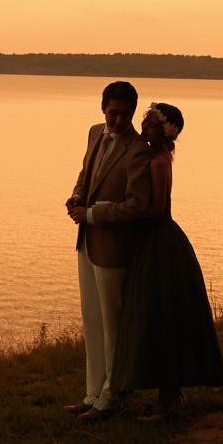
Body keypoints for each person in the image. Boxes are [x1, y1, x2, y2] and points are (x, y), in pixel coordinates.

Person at [108, 101, 223, 419]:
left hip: (160, 240)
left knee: (160, 315)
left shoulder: (160, 162)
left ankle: (168, 399)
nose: (142, 127)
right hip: (154, 239)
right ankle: (167, 394)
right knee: (157, 315)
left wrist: (121, 212)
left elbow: (157, 208)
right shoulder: (154, 156)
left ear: (161, 131)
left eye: (148, 124)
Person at [64, 79, 152, 420]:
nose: (116, 120)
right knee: (92, 321)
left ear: (131, 112)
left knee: (113, 325)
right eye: (112, 113)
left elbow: (138, 205)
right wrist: (75, 195)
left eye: (124, 115)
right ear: (103, 108)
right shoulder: (93, 132)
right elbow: (86, 173)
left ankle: (114, 396)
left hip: (114, 247)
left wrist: (92, 213)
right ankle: (92, 393)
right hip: (86, 241)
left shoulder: (139, 150)